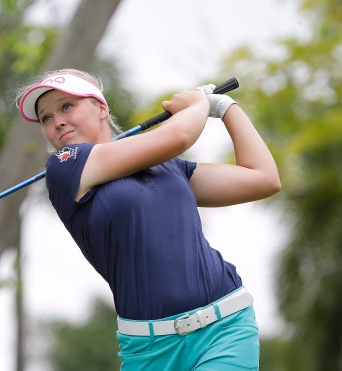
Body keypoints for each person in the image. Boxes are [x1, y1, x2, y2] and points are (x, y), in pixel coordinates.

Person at [17, 69, 280, 370]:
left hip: (224, 327)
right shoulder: (64, 168)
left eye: (66, 106)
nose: (57, 121)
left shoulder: (169, 168)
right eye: (46, 118)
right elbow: (179, 135)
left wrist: (225, 108)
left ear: (100, 108)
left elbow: (262, 179)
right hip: (149, 350)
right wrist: (198, 105)